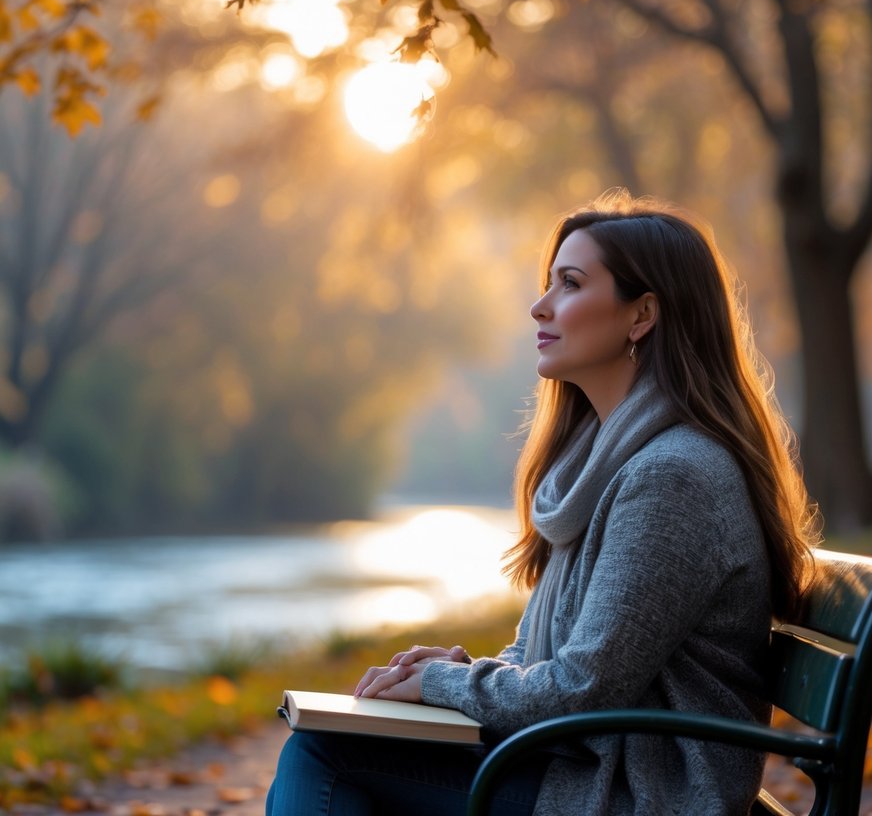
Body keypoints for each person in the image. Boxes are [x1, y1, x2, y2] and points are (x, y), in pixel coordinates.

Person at [265, 192, 817, 815]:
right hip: (590, 767)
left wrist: (445, 685)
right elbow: (561, 664)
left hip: (638, 794)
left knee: (323, 757)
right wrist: (463, 674)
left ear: (642, 316)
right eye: (548, 283)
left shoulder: (672, 478)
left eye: (570, 284)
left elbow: (583, 688)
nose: (540, 305)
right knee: (332, 746)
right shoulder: (607, 464)